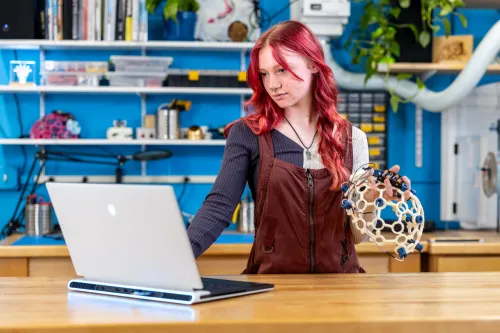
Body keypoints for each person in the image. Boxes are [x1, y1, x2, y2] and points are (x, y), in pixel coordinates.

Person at [186, 20, 411, 274]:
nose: (272, 84)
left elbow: (358, 237)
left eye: (282, 70)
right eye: (265, 73)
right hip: (272, 287)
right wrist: (175, 260)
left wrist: (369, 200)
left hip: (342, 289)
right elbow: (218, 208)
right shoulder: (249, 134)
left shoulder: (352, 139)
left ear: (313, 64)